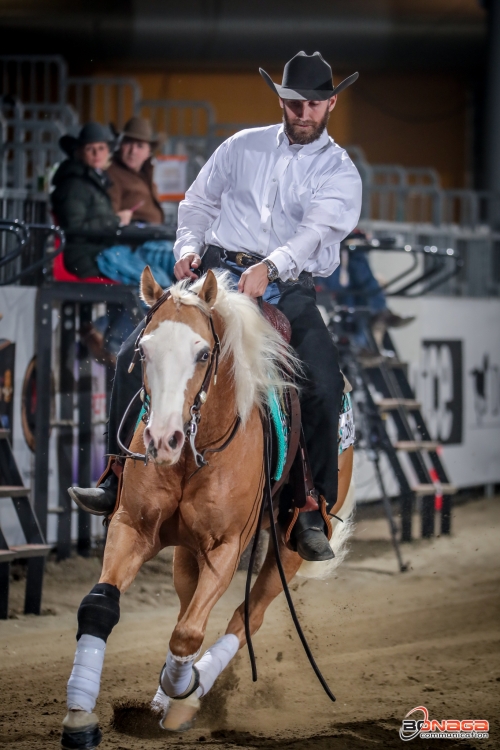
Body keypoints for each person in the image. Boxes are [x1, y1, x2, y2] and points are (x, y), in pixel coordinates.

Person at [70, 51, 362, 563]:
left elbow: (318, 230)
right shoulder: (241, 146)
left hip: (288, 286)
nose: (303, 113)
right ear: (282, 101)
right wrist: (187, 249)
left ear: (330, 104)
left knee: (323, 382)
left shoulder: (340, 170)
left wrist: (270, 267)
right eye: (295, 103)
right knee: (133, 354)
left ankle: (309, 506)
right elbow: (198, 203)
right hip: (215, 274)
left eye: (314, 104)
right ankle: (117, 474)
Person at [51, 122, 174, 288]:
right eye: (90, 149)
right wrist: (115, 221)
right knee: (157, 286)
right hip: (89, 255)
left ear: (108, 151)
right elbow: (74, 229)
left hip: (103, 250)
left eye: (101, 148)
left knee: (160, 282)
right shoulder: (74, 185)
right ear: (79, 152)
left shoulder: (94, 181)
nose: (97, 154)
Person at [107, 116, 165, 225]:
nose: (133, 151)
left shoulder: (146, 175)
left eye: (140, 146)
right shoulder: (112, 175)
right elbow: (111, 217)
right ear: (120, 146)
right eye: (128, 143)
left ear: (148, 152)